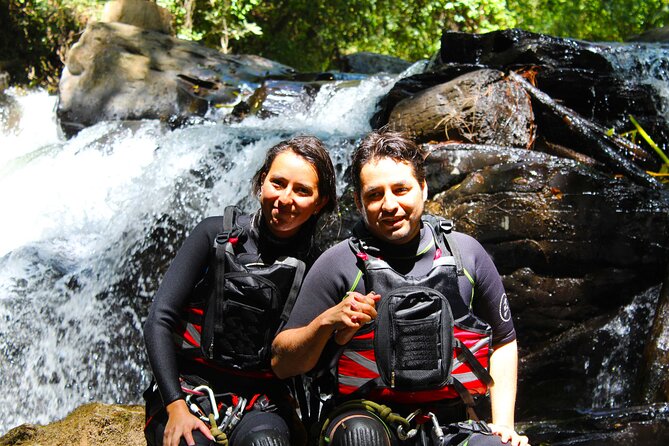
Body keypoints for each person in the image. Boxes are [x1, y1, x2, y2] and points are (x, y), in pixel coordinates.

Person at [271, 131, 529, 446]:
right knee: (359, 438)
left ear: (423, 188)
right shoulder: (339, 264)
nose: (389, 205)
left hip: (453, 421)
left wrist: (503, 424)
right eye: (375, 194)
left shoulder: (468, 255)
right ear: (359, 201)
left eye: (401, 189)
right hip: (362, 418)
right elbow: (282, 364)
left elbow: (504, 340)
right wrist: (324, 323)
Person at [143, 136, 337, 446]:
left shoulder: (319, 266)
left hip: (261, 404)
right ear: (262, 182)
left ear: (320, 202)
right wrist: (175, 405)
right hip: (188, 389)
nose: (285, 198)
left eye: (302, 191)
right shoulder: (213, 234)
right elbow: (159, 320)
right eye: (278, 183)